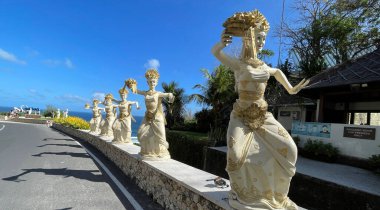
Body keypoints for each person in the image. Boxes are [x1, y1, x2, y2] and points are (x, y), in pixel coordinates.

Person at [212, 10, 309, 210]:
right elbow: (216, 53)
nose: (262, 41)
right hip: (241, 116)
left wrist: (291, 89)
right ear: (250, 38)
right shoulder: (239, 64)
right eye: (259, 37)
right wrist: (222, 43)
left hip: (263, 115)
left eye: (264, 38)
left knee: (289, 149)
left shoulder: (265, 67)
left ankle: (279, 197)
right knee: (236, 156)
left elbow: (277, 72)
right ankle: (243, 195)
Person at [127, 69, 174, 159]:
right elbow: (136, 91)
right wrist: (131, 85)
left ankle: (160, 152)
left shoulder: (158, 93)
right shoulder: (145, 93)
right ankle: (148, 151)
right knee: (140, 133)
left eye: (154, 81)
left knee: (161, 137)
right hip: (147, 116)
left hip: (157, 117)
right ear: (147, 82)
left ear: (156, 82)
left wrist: (170, 96)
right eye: (150, 81)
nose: (152, 83)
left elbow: (168, 95)